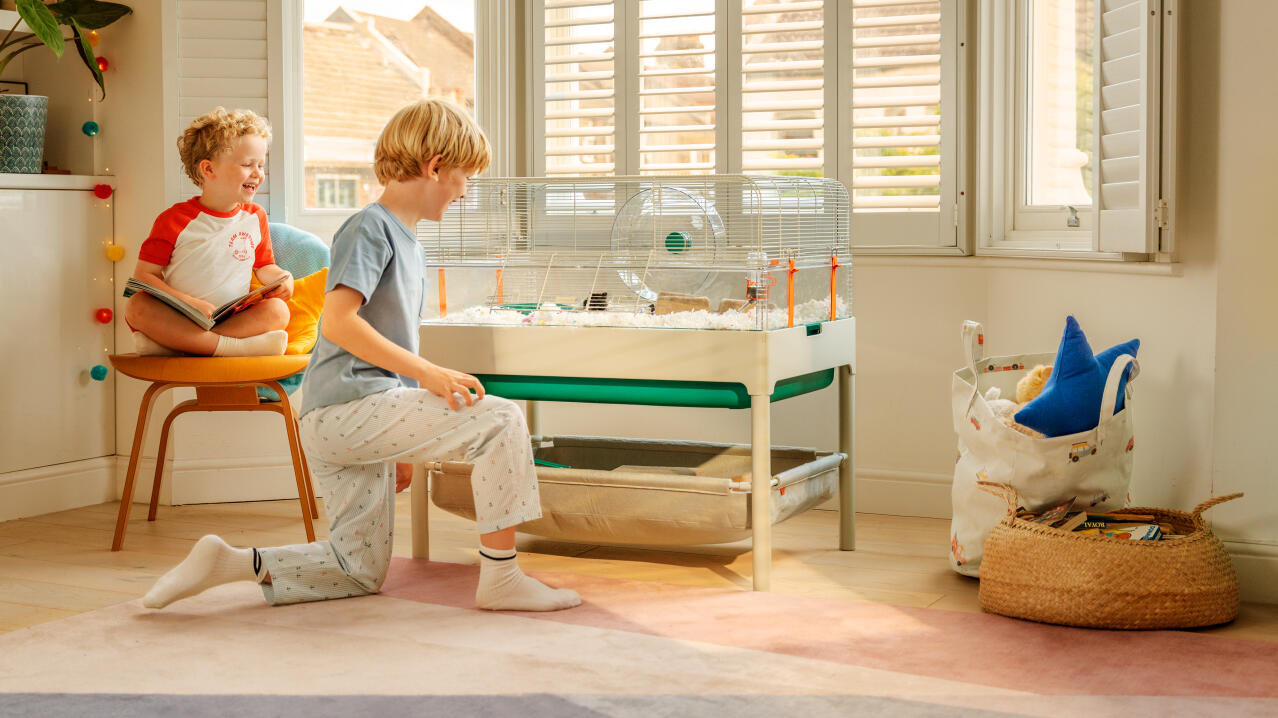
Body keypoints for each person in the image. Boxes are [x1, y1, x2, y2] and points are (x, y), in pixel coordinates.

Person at [142, 98, 581, 613]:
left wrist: (395, 442)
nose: (465, 190)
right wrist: (429, 376)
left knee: (358, 571)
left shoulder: (408, 241)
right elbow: (338, 322)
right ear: (435, 165)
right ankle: (503, 579)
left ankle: (232, 562)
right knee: (502, 419)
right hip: (345, 412)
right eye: (464, 175)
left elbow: (379, 347)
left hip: (355, 417)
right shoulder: (369, 227)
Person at [124, 107, 292, 357]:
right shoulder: (174, 219)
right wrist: (189, 303)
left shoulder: (255, 216)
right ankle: (229, 348)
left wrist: (283, 278)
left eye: (261, 165)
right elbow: (144, 276)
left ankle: (183, 345)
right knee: (136, 307)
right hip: (181, 314)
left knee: (279, 310)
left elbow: (265, 266)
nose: (258, 174)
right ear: (209, 170)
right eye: (248, 164)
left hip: (230, 318)